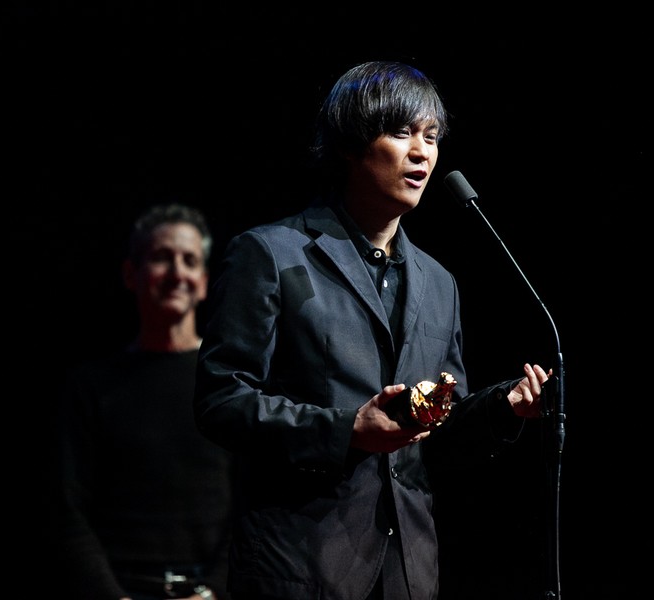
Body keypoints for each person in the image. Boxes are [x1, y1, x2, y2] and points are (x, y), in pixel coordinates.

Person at [192, 60, 552, 600]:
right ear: (350, 144)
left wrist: (504, 408)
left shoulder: (439, 283)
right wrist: (346, 430)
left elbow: (437, 433)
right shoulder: (270, 254)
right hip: (302, 566)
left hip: (407, 572)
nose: (422, 152)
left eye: (431, 136)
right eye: (402, 132)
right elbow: (221, 401)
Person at [52, 203, 233, 600]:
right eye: (161, 258)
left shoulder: (228, 382)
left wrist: (213, 592)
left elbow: (255, 499)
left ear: (203, 282)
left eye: (189, 261)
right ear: (130, 274)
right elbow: (67, 508)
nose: (177, 273)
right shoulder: (90, 386)